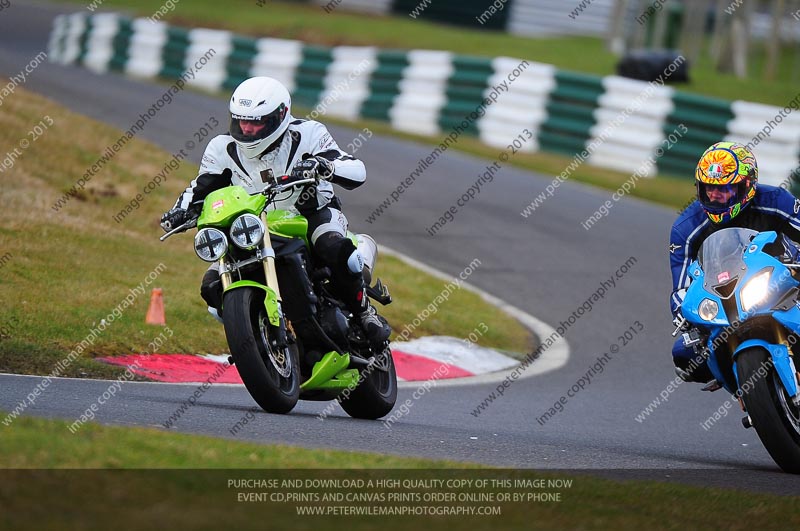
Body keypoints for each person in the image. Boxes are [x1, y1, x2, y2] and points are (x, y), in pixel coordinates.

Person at [160, 76, 390, 346]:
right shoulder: (221, 148)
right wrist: (179, 211)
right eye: (241, 121)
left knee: (336, 250)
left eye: (256, 122)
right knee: (212, 286)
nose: (247, 129)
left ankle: (364, 313)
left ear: (280, 115)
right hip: (252, 226)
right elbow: (200, 188)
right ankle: (259, 343)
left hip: (310, 213)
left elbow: (355, 168)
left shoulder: (309, 133)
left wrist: (325, 167)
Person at [669, 141, 800, 382]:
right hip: (726, 301)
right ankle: (744, 388)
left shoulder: (777, 200)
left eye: (725, 189)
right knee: (685, 355)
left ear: (747, 185)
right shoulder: (685, 228)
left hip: (785, 283)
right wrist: (681, 309)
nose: (715, 195)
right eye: (708, 188)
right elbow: (680, 288)